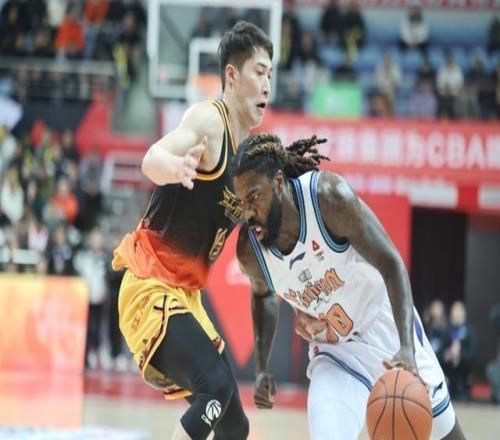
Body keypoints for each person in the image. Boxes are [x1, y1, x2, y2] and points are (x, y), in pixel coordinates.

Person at [232, 133, 466, 440]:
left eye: (254, 197)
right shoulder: (250, 250)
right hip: (336, 351)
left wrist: (407, 348)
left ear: (277, 183)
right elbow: (263, 296)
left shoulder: (328, 199)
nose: (247, 212)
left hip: (385, 328)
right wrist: (262, 367)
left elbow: (392, 265)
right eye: (241, 202)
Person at [111, 21, 273, 440]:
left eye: (271, 74)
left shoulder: (247, 157)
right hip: (150, 283)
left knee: (235, 426)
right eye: (259, 72)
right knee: (214, 388)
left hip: (185, 295)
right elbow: (152, 158)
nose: (267, 85)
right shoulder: (209, 121)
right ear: (231, 76)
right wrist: (176, 167)